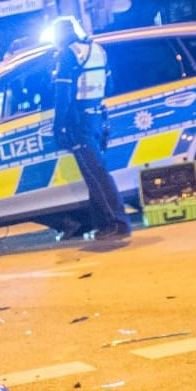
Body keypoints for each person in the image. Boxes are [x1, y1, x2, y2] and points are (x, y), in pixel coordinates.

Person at [50, 16, 129, 240]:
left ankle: (118, 222)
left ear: (60, 35)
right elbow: (110, 85)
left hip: (79, 122)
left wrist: (60, 126)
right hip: (97, 118)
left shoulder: (68, 54)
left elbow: (62, 95)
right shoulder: (97, 50)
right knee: (96, 171)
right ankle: (104, 223)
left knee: (96, 175)